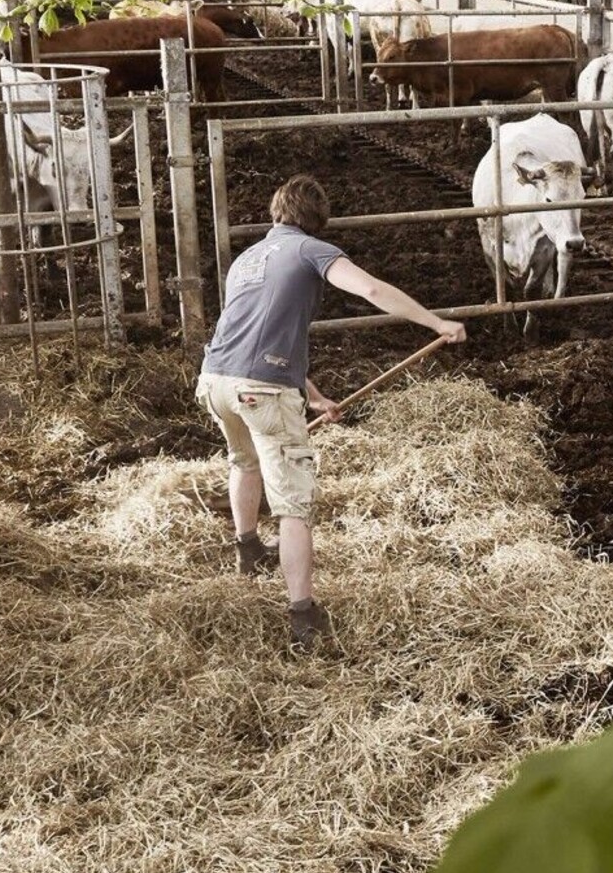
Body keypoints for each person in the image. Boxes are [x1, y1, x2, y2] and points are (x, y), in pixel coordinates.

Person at [196, 174, 464, 650]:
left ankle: (248, 550)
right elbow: (373, 291)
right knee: (294, 502)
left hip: (216, 381)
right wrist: (435, 321)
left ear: (277, 212)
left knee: (245, 462)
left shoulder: (247, 259)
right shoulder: (311, 250)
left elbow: (259, 333)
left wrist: (314, 397)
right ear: (317, 220)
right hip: (260, 390)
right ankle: (303, 615)